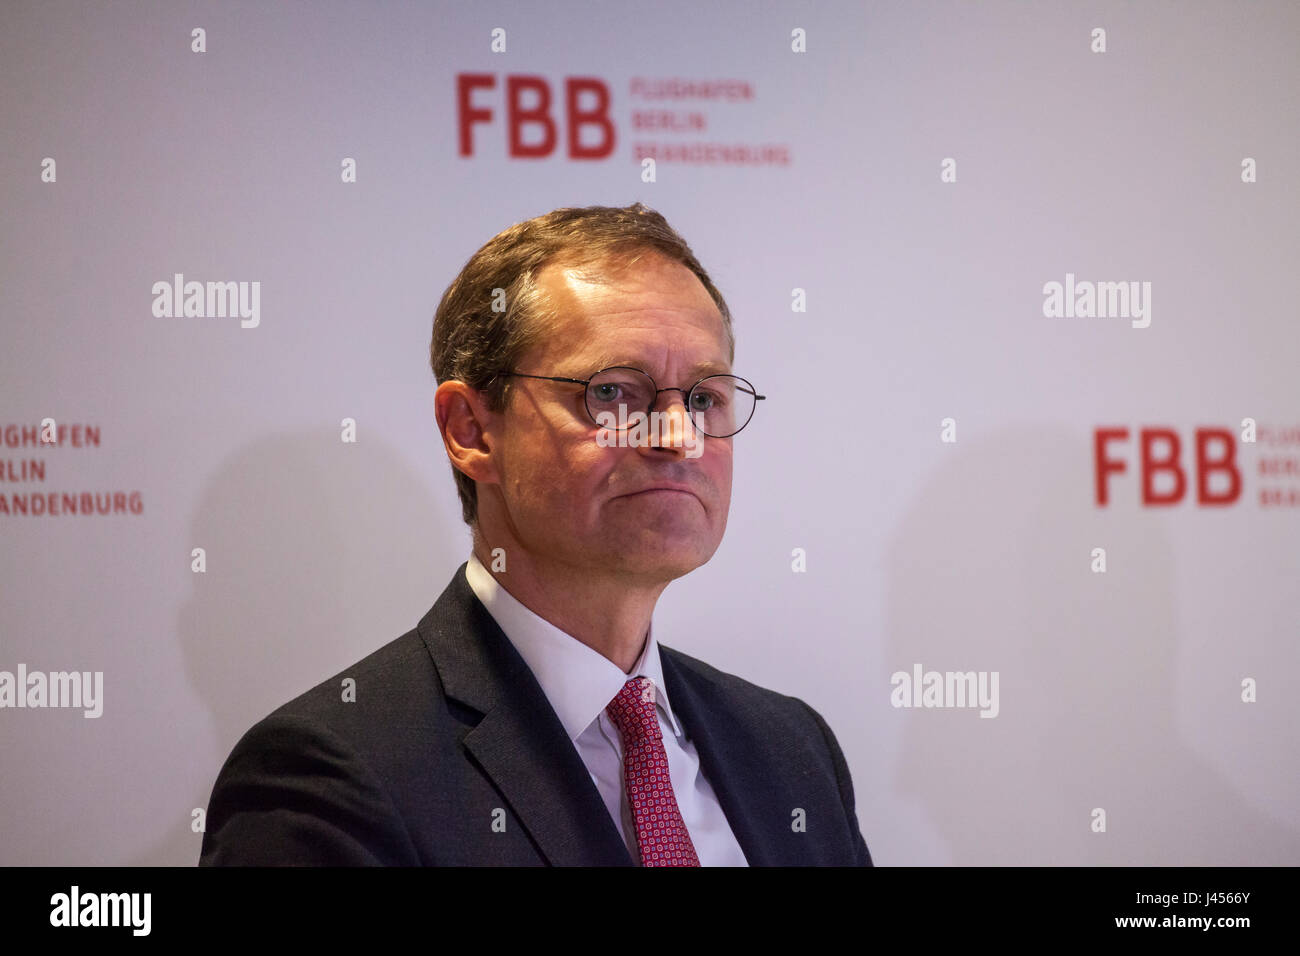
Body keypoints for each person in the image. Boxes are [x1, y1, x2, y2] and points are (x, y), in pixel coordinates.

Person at [199, 203, 872, 866]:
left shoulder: (792, 750)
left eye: (702, 398)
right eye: (612, 393)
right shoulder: (327, 779)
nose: (676, 436)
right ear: (471, 431)